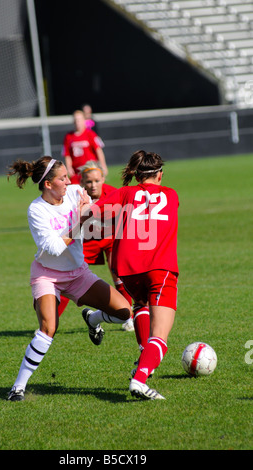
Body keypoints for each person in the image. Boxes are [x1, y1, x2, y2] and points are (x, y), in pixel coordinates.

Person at [6, 156, 131, 401]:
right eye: (62, 178)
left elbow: (94, 216)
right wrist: (81, 220)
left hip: (78, 273)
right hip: (47, 275)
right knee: (48, 328)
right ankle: (18, 388)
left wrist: (89, 212)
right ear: (48, 185)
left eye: (67, 177)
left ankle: (93, 318)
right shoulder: (36, 209)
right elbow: (53, 247)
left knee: (124, 313)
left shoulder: (74, 192)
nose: (68, 181)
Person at [88, 150, 179, 401]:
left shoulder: (124, 193)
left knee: (141, 305)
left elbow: (91, 216)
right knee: (160, 337)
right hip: (160, 269)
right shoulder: (171, 195)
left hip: (128, 271)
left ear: (137, 175)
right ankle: (139, 380)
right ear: (160, 174)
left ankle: (142, 357)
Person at [57, 160, 134, 332]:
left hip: (111, 239)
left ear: (103, 178)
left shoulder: (114, 194)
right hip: (86, 241)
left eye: (97, 181)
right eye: (89, 181)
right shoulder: (75, 196)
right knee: (69, 276)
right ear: (82, 181)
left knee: (120, 273)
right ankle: (51, 322)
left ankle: (129, 317)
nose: (93, 185)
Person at [62, 110, 108, 184]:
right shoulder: (68, 137)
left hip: (90, 169)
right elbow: (67, 155)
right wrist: (69, 168)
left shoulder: (91, 134)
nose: (77, 122)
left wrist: (103, 165)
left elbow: (98, 150)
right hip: (77, 172)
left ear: (84, 120)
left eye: (79, 120)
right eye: (76, 120)